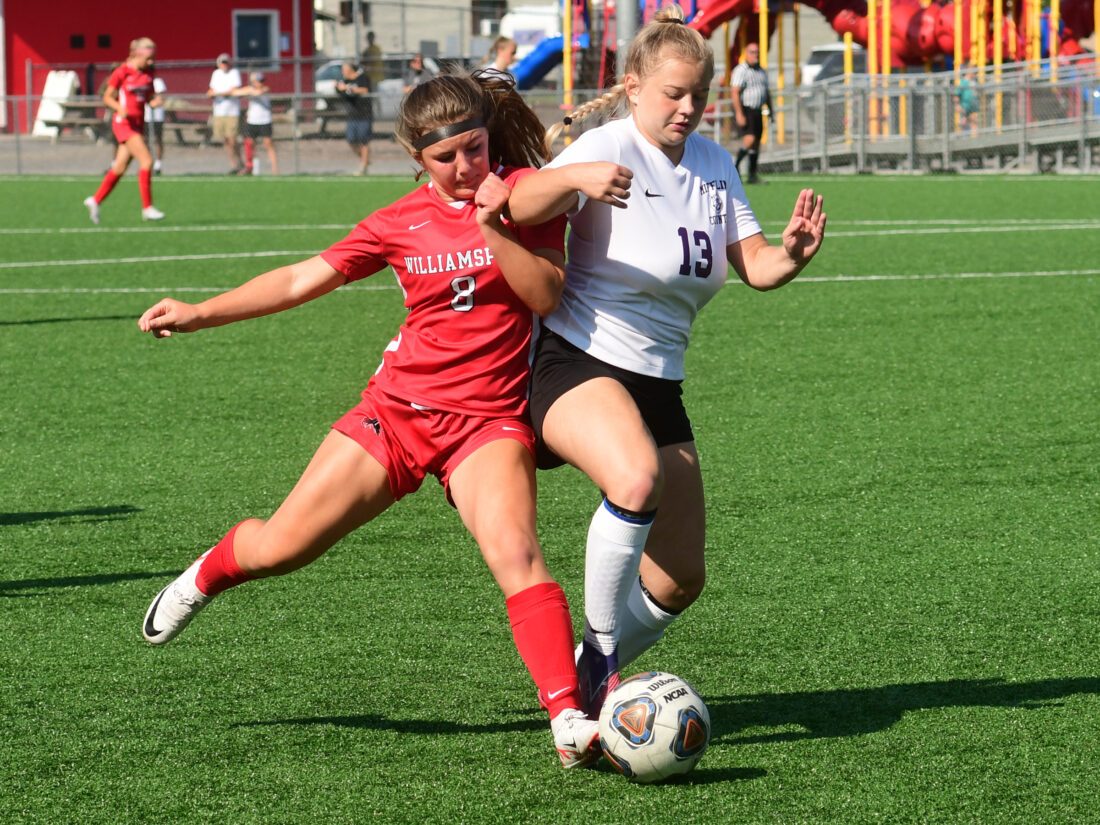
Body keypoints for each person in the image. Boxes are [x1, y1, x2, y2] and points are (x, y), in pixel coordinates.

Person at [137, 70, 600, 768]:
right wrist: (200, 312)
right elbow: (303, 278)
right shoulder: (397, 222)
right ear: (417, 158)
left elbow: (545, 295)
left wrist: (493, 219)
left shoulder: (525, 196)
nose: (465, 167)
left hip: (487, 422)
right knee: (281, 548)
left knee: (516, 553)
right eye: (446, 158)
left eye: (475, 148)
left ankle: (567, 716)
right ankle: (213, 569)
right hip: (399, 413)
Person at [507, 4, 826, 718]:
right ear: (631, 86)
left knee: (681, 576)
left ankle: (585, 668)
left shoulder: (713, 164)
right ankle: (602, 666)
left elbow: (758, 265)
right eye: (672, 94)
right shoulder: (608, 143)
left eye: (698, 95)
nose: (688, 109)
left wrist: (794, 254)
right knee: (636, 475)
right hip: (577, 360)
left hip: (660, 383)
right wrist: (578, 176)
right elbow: (516, 199)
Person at [83, 37, 165, 224]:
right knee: (147, 161)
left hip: (138, 124)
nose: (152, 61)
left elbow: (149, 97)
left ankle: (95, 201)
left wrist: (155, 102)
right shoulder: (122, 72)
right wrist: (119, 108)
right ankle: (147, 208)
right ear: (137, 54)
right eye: (149, 57)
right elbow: (107, 97)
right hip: (123, 124)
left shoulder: (148, 73)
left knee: (119, 168)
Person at [730, 42, 770, 184]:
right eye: (752, 52)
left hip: (758, 110)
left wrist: (771, 109)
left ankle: (752, 174)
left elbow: (766, 91)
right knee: (750, 139)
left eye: (757, 52)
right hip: (746, 109)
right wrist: (739, 114)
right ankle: (735, 166)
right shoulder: (741, 70)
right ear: (746, 54)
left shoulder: (761, 71)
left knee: (756, 143)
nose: (756, 55)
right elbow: (735, 92)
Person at [207, 53, 245, 174]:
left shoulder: (234, 73)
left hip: (231, 111)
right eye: (222, 63)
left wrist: (219, 94)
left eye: (226, 62)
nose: (225, 65)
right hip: (219, 111)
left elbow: (234, 90)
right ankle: (234, 165)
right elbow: (211, 91)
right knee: (224, 140)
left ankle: (241, 162)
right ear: (218, 64)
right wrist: (214, 94)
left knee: (232, 139)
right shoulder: (216, 74)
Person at [335, 61, 373, 175]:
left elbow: (365, 90)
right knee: (351, 140)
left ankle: (363, 166)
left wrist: (349, 88)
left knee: (364, 141)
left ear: (349, 70)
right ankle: (365, 160)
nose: (343, 73)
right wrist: (338, 88)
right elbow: (341, 93)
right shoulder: (345, 81)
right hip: (352, 115)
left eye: (344, 70)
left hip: (364, 114)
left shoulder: (362, 78)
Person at [241, 71, 278, 175]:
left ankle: (276, 171)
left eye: (262, 81)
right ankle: (249, 168)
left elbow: (258, 92)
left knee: (269, 144)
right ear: (253, 82)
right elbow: (236, 92)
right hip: (252, 121)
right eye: (258, 81)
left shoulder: (265, 89)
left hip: (265, 121)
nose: (260, 83)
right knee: (250, 144)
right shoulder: (249, 89)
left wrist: (248, 91)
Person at [144, 72, 167, 174]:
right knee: (145, 140)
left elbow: (160, 100)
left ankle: (158, 163)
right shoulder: (141, 81)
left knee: (158, 139)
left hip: (157, 117)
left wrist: (152, 102)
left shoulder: (158, 82)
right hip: (145, 116)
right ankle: (147, 162)